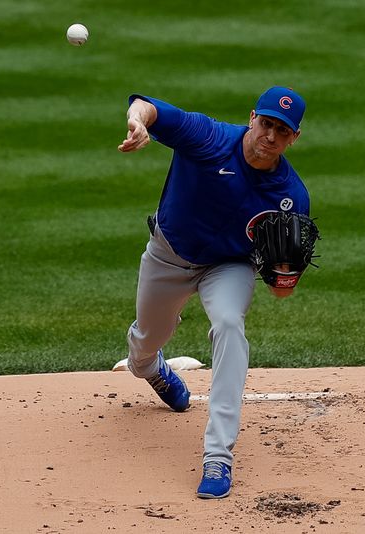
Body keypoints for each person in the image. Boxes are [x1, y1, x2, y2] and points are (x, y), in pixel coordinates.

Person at [118, 87, 311, 499]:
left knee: (228, 324)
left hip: (229, 267)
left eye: (283, 130)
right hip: (169, 256)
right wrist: (138, 122)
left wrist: (284, 279)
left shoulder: (291, 197)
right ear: (252, 117)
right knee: (147, 341)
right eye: (266, 123)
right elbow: (148, 107)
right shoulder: (208, 137)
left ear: (294, 137)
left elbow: (280, 290)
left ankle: (217, 456)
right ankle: (151, 369)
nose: (271, 136)